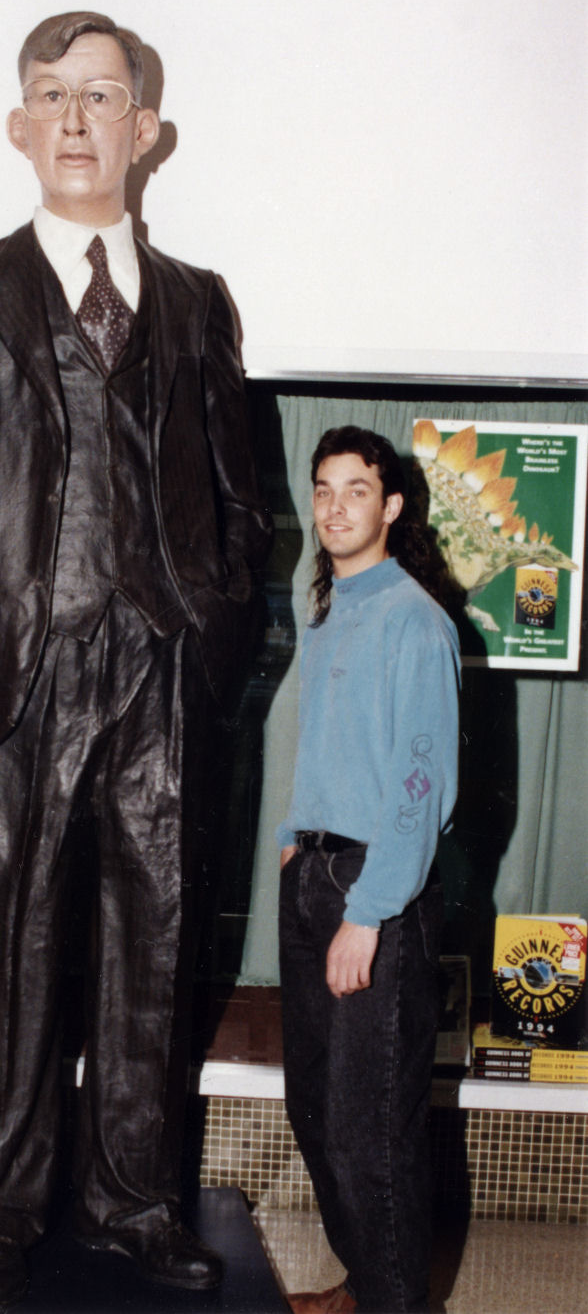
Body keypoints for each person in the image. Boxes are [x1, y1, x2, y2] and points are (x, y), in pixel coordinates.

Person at [0, 12, 271, 1313]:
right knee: (13, 942)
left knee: (155, 946)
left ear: (144, 131)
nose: (74, 118)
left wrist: (215, 635)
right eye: (51, 94)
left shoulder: (198, 301)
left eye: (101, 96)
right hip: (19, 671)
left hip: (163, 667)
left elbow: (237, 494)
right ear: (17, 124)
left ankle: (135, 1198)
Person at [276, 427, 460, 1314]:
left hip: (374, 894)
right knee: (314, 1111)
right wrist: (292, 831)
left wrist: (368, 908)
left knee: (368, 1132)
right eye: (323, 489)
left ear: (390, 507)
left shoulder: (414, 619)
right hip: (312, 876)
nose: (336, 506)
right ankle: (365, 1285)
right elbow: (329, 745)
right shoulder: (329, 611)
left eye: (357, 490)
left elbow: (419, 788)